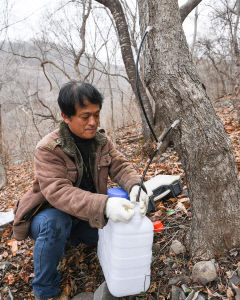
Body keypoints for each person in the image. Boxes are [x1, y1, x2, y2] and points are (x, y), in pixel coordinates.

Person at [12, 81, 149, 300]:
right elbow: (58, 192)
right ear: (66, 116)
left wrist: (135, 187)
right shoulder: (48, 149)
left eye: (96, 114)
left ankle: (73, 240)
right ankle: (45, 290)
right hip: (49, 214)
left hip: (85, 216)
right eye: (85, 117)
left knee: (121, 226)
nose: (93, 122)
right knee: (55, 224)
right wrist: (104, 205)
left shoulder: (101, 141)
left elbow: (120, 166)